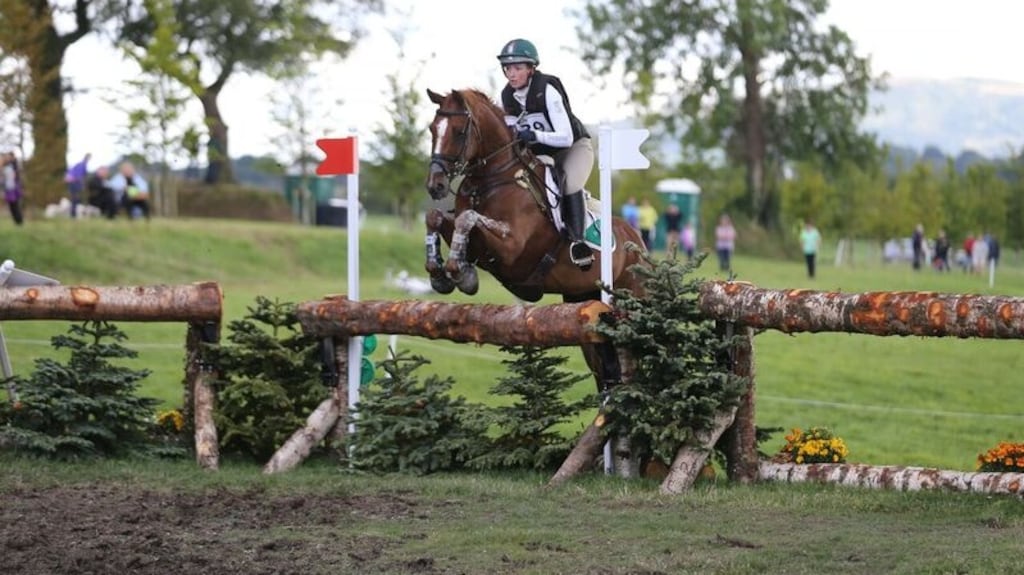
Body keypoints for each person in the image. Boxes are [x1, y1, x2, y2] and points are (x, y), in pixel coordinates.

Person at [497, 38, 594, 270]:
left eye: (518, 68)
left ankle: (578, 242)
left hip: (573, 148)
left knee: (568, 182)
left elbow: (566, 137)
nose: (512, 74)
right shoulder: (507, 95)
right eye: (508, 68)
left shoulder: (546, 89)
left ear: (531, 69)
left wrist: (535, 136)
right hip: (544, 154)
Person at [65, 153, 91, 218]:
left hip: (73, 182)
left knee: (75, 199)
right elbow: (79, 176)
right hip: (74, 183)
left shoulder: (80, 164)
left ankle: (74, 214)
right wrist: (82, 185)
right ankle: (73, 215)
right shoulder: (82, 165)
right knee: (75, 199)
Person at [2, 152, 25, 226]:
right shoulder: (5, 166)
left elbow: (17, 176)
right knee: (11, 206)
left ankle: (19, 221)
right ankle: (16, 221)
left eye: (9, 157)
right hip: (8, 189)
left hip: (13, 188)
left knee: (15, 205)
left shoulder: (14, 165)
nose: (8, 158)